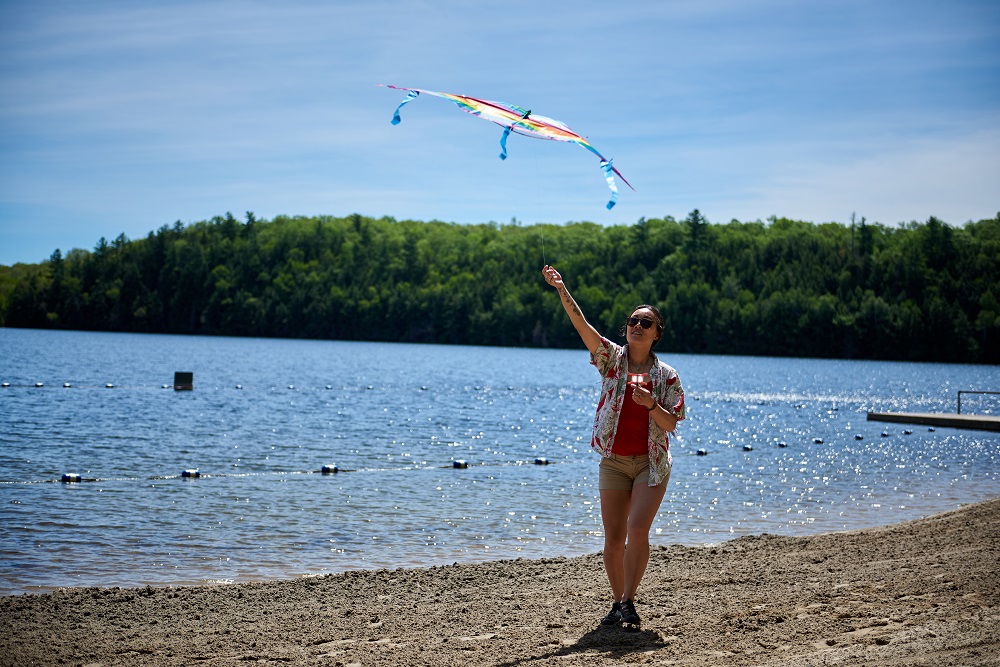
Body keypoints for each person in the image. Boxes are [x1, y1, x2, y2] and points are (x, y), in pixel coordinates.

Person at [542, 264, 685, 631]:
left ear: (656, 334)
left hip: (651, 464)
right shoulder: (611, 359)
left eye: (645, 323)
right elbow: (582, 326)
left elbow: (672, 423)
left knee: (637, 532)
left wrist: (651, 404)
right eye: (633, 321)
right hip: (613, 462)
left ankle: (628, 600)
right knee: (613, 539)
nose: (637, 326)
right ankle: (619, 601)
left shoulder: (667, 376)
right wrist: (561, 288)